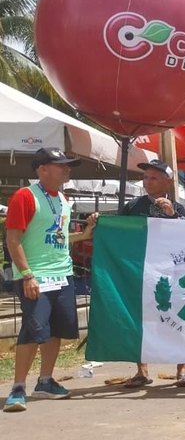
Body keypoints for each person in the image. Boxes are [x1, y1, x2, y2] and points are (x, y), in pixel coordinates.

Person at [3, 147, 96, 413]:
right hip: (36, 276)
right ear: (42, 169)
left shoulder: (64, 199)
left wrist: (85, 233)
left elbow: (59, 237)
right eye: (61, 165)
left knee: (56, 331)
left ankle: (45, 381)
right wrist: (28, 275)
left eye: (68, 165)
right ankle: (17, 387)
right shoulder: (25, 196)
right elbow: (13, 240)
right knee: (32, 331)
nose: (67, 169)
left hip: (63, 275)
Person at [120, 159, 185, 388]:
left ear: (167, 182)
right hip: (141, 272)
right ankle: (141, 371)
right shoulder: (133, 207)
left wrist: (172, 215)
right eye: (145, 177)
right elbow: (118, 233)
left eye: (153, 178)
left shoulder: (178, 207)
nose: (147, 182)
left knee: (177, 320)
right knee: (139, 320)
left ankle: (182, 370)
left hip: (170, 274)